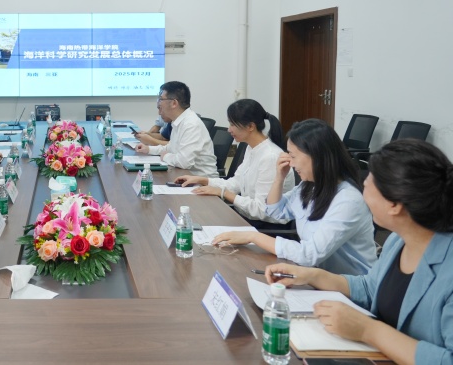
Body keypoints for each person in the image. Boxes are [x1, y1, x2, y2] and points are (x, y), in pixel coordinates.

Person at [265, 139, 453, 365]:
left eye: (370, 181)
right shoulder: (398, 241)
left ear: (395, 205)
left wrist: (368, 330)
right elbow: (369, 288)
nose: (363, 185)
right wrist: (311, 275)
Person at [213, 118, 377, 276]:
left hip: (349, 285)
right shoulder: (309, 186)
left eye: (293, 156)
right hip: (316, 275)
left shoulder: (348, 200)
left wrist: (253, 236)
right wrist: (279, 178)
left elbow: (309, 254)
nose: (290, 163)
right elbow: (275, 211)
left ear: (316, 156)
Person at [174, 99, 295, 227]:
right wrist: (202, 180)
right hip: (246, 218)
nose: (229, 129)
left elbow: (261, 210)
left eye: (232, 124)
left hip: (265, 227)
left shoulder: (270, 157)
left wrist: (224, 193)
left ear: (250, 127)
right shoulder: (252, 148)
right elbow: (236, 183)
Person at [134, 81, 218, 177]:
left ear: (174, 103)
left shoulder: (191, 124)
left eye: (161, 99)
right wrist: (148, 149)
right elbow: (170, 148)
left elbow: (184, 162)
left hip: (202, 181)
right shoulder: (178, 121)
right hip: (186, 176)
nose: (159, 102)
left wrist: (165, 156)